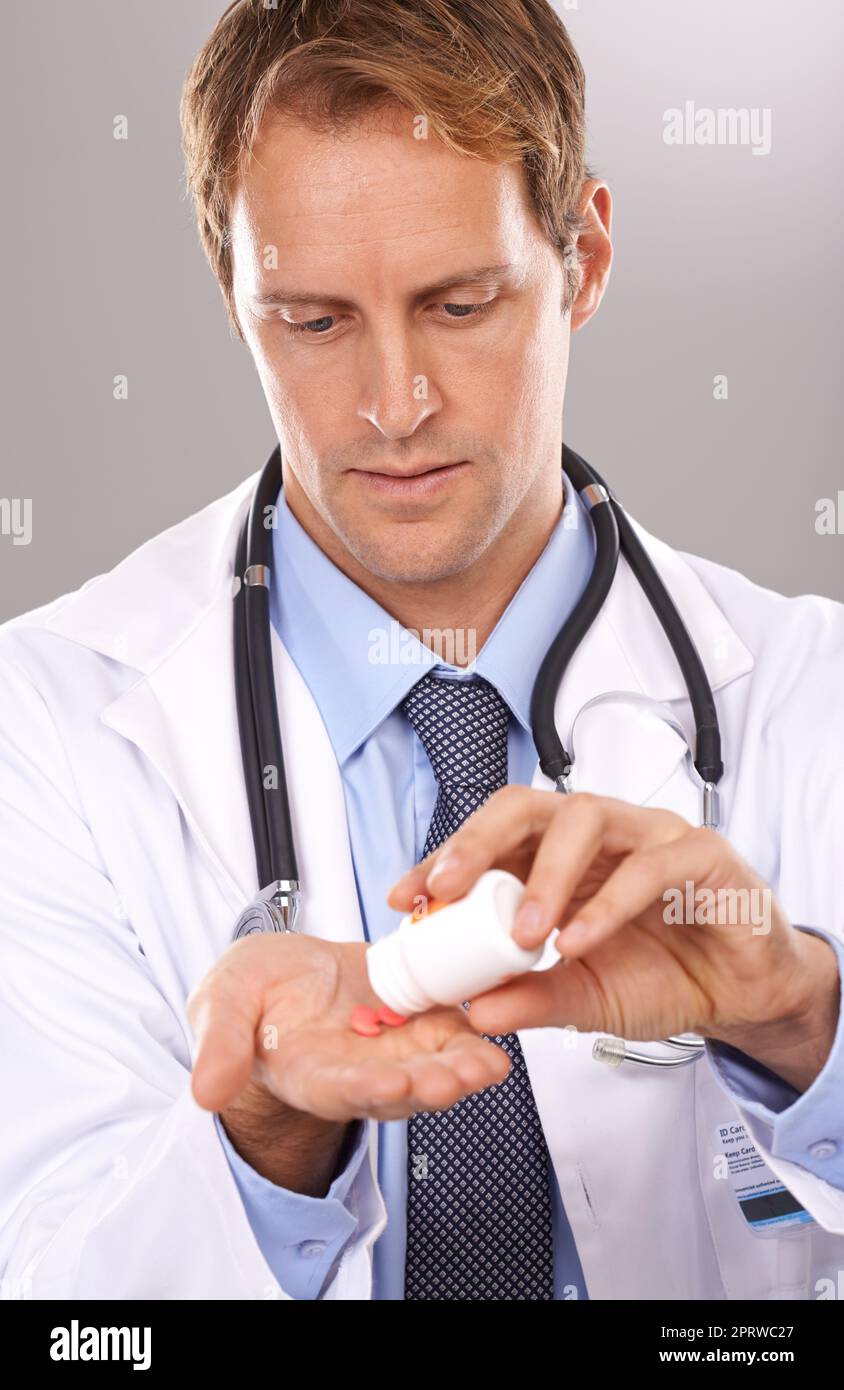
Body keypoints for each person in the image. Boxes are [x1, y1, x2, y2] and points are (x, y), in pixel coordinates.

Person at [1, 0, 843, 1302]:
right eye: (315, 321)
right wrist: (269, 1138)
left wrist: (799, 1019)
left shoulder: (812, 695)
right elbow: (60, 1315)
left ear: (586, 259)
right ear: (232, 296)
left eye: (461, 303)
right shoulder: (41, 727)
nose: (396, 408)